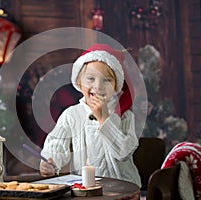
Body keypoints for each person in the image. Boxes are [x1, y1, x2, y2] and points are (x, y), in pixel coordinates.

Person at [40, 43, 141, 187]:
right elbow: (56, 145)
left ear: (116, 86)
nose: (98, 86)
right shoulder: (72, 115)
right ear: (79, 83)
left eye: (107, 80)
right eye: (90, 79)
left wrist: (104, 118)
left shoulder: (125, 116)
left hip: (122, 189)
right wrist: (50, 163)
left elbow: (124, 153)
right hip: (84, 189)